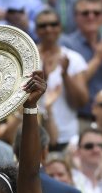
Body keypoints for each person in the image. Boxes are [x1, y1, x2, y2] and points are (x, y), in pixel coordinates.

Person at [35, 8, 88, 149]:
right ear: (36, 30)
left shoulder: (74, 59)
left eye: (53, 24)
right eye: (43, 26)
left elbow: (81, 101)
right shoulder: (27, 59)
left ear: (60, 27)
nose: (48, 29)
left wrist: (65, 76)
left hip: (67, 136)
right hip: (33, 134)